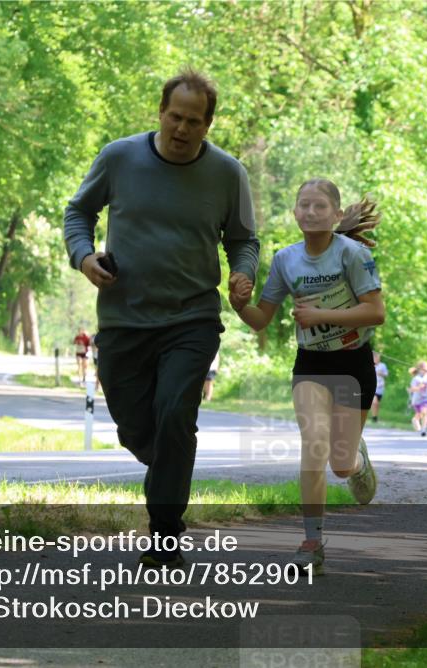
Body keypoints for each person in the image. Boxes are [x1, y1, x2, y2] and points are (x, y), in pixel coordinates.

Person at [63, 68, 259, 570]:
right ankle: (171, 466)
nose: (182, 129)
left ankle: (165, 535)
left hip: (191, 318)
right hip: (125, 320)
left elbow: (242, 239)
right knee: (136, 427)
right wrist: (84, 257)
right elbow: (77, 213)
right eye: (175, 117)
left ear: (208, 125)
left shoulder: (227, 173)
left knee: (176, 414)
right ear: (160, 113)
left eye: (194, 121)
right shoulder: (120, 157)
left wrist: (243, 272)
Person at [231, 178, 384, 575]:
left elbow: (375, 313)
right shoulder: (286, 259)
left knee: (340, 465)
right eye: (304, 205)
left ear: (336, 215)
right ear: (295, 213)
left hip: (353, 364)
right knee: (313, 445)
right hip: (312, 364)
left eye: (320, 206)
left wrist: (321, 316)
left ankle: (357, 460)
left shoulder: (352, 255)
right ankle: (312, 541)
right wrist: (238, 305)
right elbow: (261, 318)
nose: (311, 212)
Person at [408, 361, 427, 436]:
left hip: (425, 398)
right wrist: (419, 387)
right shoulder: (416, 378)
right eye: (423, 368)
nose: (425, 369)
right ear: (420, 369)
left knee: (425, 412)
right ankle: (415, 419)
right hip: (417, 399)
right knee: (419, 414)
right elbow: (412, 389)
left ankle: (423, 429)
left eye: (426, 367)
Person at [370, 351, 388, 423]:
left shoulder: (382, 365)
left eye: (379, 358)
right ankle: (374, 417)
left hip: (380, 387)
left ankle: (375, 416)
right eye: (376, 358)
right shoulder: (370, 365)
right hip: (372, 386)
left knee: (377, 404)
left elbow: (386, 375)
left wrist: (380, 373)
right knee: (374, 402)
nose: (378, 359)